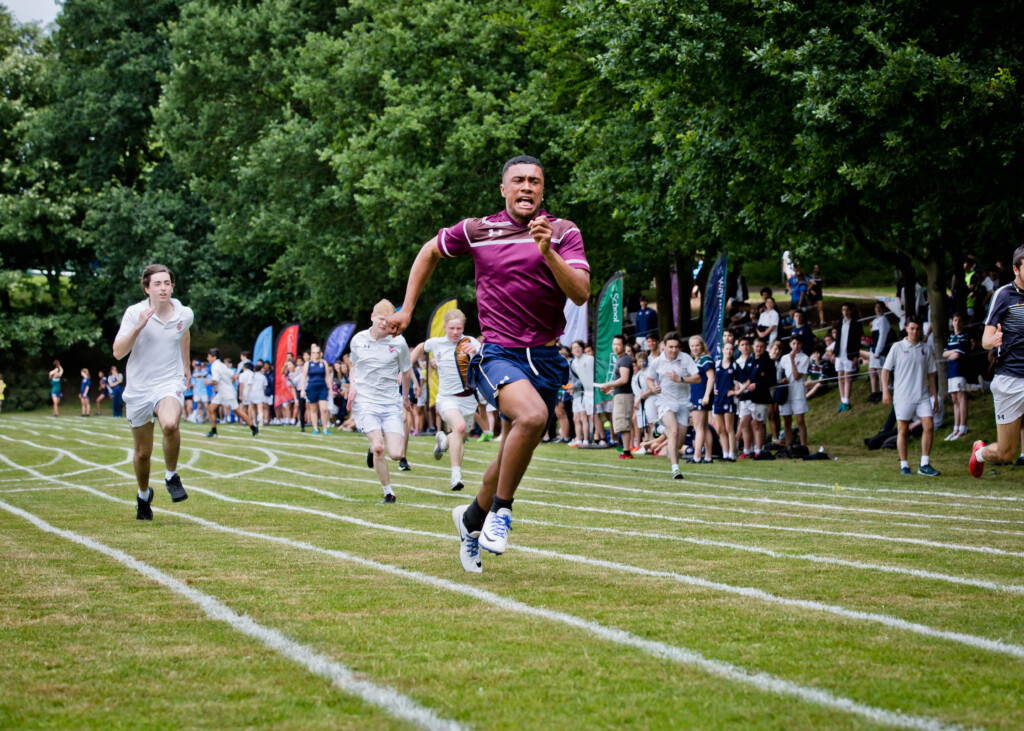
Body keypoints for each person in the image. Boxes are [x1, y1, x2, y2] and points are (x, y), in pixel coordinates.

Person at [386, 155, 590, 570]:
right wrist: (407, 310)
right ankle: (502, 513)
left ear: (543, 190)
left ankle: (471, 518)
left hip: (547, 358)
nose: (526, 187)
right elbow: (429, 251)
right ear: (504, 189)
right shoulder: (479, 230)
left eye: (534, 181)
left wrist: (547, 251)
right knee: (532, 417)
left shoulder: (564, 232)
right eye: (518, 181)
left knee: (505, 460)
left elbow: (582, 293)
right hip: (497, 353)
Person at [111, 264, 195, 520]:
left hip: (168, 381)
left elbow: (184, 333)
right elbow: (117, 352)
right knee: (142, 453)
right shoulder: (134, 313)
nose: (163, 288)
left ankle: (171, 476)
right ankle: (144, 495)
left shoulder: (184, 313)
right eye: (157, 284)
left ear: (173, 286)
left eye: (167, 283)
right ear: (147, 288)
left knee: (170, 423)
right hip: (138, 388)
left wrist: (186, 365)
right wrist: (138, 327)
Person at [350, 299, 414, 503]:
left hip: (390, 403)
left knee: (396, 453)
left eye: (388, 320)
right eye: (380, 319)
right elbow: (353, 365)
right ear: (372, 317)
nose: (384, 324)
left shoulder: (399, 342)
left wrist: (405, 398)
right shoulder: (358, 340)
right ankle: (388, 491)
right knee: (379, 446)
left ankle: (371, 447)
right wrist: (352, 386)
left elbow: (405, 372)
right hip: (366, 402)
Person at [411, 308, 481, 490]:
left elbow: (485, 364)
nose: (455, 332)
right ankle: (455, 476)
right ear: (444, 327)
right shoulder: (436, 343)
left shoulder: (471, 342)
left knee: (460, 437)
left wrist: (476, 353)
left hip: (468, 400)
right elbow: (420, 347)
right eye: (452, 328)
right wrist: (404, 367)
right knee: (458, 428)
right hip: (447, 399)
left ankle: (443, 442)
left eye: (459, 328)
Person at [970, 246, 1024, 477]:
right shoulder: (1004, 295)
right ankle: (980, 453)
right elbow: (985, 341)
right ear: (1015, 269)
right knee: (1006, 452)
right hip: (1010, 379)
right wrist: (994, 339)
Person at [881, 317, 940, 477]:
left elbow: (931, 374)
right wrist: (885, 391)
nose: (915, 332)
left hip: (921, 396)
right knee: (903, 430)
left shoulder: (925, 349)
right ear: (906, 328)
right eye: (912, 328)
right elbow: (885, 370)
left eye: (918, 329)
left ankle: (924, 463)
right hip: (903, 396)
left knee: (929, 425)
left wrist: (934, 396)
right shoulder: (897, 347)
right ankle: (904, 464)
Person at [647, 331, 701, 478]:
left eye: (676, 347)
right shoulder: (657, 361)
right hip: (665, 402)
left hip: (683, 403)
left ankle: (662, 430)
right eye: (671, 347)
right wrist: (653, 388)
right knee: (674, 431)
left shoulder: (686, 359)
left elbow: (697, 378)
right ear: (664, 346)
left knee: (678, 442)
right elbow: (649, 379)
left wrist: (681, 379)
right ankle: (675, 469)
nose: (674, 350)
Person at [205, 348, 259, 438]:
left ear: (214, 357)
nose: (207, 358)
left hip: (227, 393)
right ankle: (213, 430)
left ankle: (253, 427)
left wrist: (208, 383)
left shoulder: (214, 366)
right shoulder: (222, 364)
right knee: (211, 408)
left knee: (237, 411)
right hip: (224, 391)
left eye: (209, 356)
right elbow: (233, 376)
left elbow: (215, 381)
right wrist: (229, 385)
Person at [597, 334, 634, 459]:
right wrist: (611, 389)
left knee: (624, 424)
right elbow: (622, 382)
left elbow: (624, 379)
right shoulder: (620, 359)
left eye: (618, 344)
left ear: (624, 346)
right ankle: (625, 450)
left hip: (624, 397)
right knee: (621, 424)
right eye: (614, 344)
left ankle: (627, 451)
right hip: (620, 394)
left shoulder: (624, 360)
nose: (616, 347)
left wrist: (608, 384)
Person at [687, 335, 715, 463]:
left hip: (701, 395)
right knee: (704, 427)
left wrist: (706, 395)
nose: (694, 348)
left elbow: (711, 377)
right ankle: (708, 457)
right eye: (692, 346)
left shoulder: (705, 359)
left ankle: (697, 457)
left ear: (702, 345)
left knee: (698, 427)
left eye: (697, 345)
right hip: (696, 394)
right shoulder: (695, 360)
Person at [779, 336, 810, 449]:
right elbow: (781, 374)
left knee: (800, 420)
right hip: (786, 393)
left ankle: (803, 446)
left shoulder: (805, 358)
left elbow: (797, 376)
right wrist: (783, 380)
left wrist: (792, 360)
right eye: (794, 343)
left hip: (798, 393)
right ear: (790, 344)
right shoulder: (784, 358)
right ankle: (788, 445)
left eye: (798, 344)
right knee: (787, 420)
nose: (796, 346)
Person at [943, 313, 970, 440]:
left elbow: (959, 354)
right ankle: (956, 427)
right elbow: (944, 354)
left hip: (959, 370)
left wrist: (951, 354)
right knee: (954, 399)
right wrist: (952, 352)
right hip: (951, 371)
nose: (957, 323)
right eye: (955, 320)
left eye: (959, 320)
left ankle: (963, 427)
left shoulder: (964, 337)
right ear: (952, 322)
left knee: (961, 397)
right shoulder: (950, 338)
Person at [834, 303, 863, 412]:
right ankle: (842, 400)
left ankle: (846, 400)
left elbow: (857, 341)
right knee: (840, 376)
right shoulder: (840, 322)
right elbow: (837, 339)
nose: (845, 312)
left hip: (849, 354)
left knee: (847, 376)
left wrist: (856, 355)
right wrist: (835, 352)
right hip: (839, 353)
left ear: (851, 311)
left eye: (847, 310)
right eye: (843, 310)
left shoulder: (855, 323)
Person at [712, 341, 738, 461]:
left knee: (729, 428)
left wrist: (736, 391)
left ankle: (732, 454)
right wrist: (712, 390)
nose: (728, 351)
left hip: (728, 399)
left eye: (731, 349)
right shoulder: (716, 364)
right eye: (726, 349)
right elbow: (710, 378)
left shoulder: (734, 365)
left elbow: (743, 379)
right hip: (718, 399)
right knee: (720, 429)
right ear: (722, 350)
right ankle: (725, 453)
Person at [863, 301, 892, 403]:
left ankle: (881, 391)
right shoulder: (875, 321)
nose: (878, 309)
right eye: (876, 307)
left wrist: (878, 351)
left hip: (880, 349)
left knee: (880, 371)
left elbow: (882, 337)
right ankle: (874, 392)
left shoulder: (883, 320)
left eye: (880, 307)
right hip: (874, 348)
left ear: (883, 309)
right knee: (872, 370)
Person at [301, 344, 334, 435]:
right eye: (314, 353)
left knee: (324, 409)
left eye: (317, 353)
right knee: (313, 409)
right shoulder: (308, 364)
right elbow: (304, 377)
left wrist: (330, 389)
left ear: (320, 353)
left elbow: (327, 377)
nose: (316, 354)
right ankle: (315, 428)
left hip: (322, 387)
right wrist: (302, 390)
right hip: (311, 387)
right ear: (312, 354)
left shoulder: (324, 363)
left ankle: (325, 428)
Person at [568, 340, 594, 447]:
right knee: (576, 418)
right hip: (576, 393)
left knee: (583, 416)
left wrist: (574, 386)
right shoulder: (573, 363)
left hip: (585, 391)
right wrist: (570, 387)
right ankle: (578, 440)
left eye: (579, 347)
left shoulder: (589, 359)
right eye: (574, 348)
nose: (577, 349)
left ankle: (586, 440)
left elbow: (584, 379)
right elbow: (571, 378)